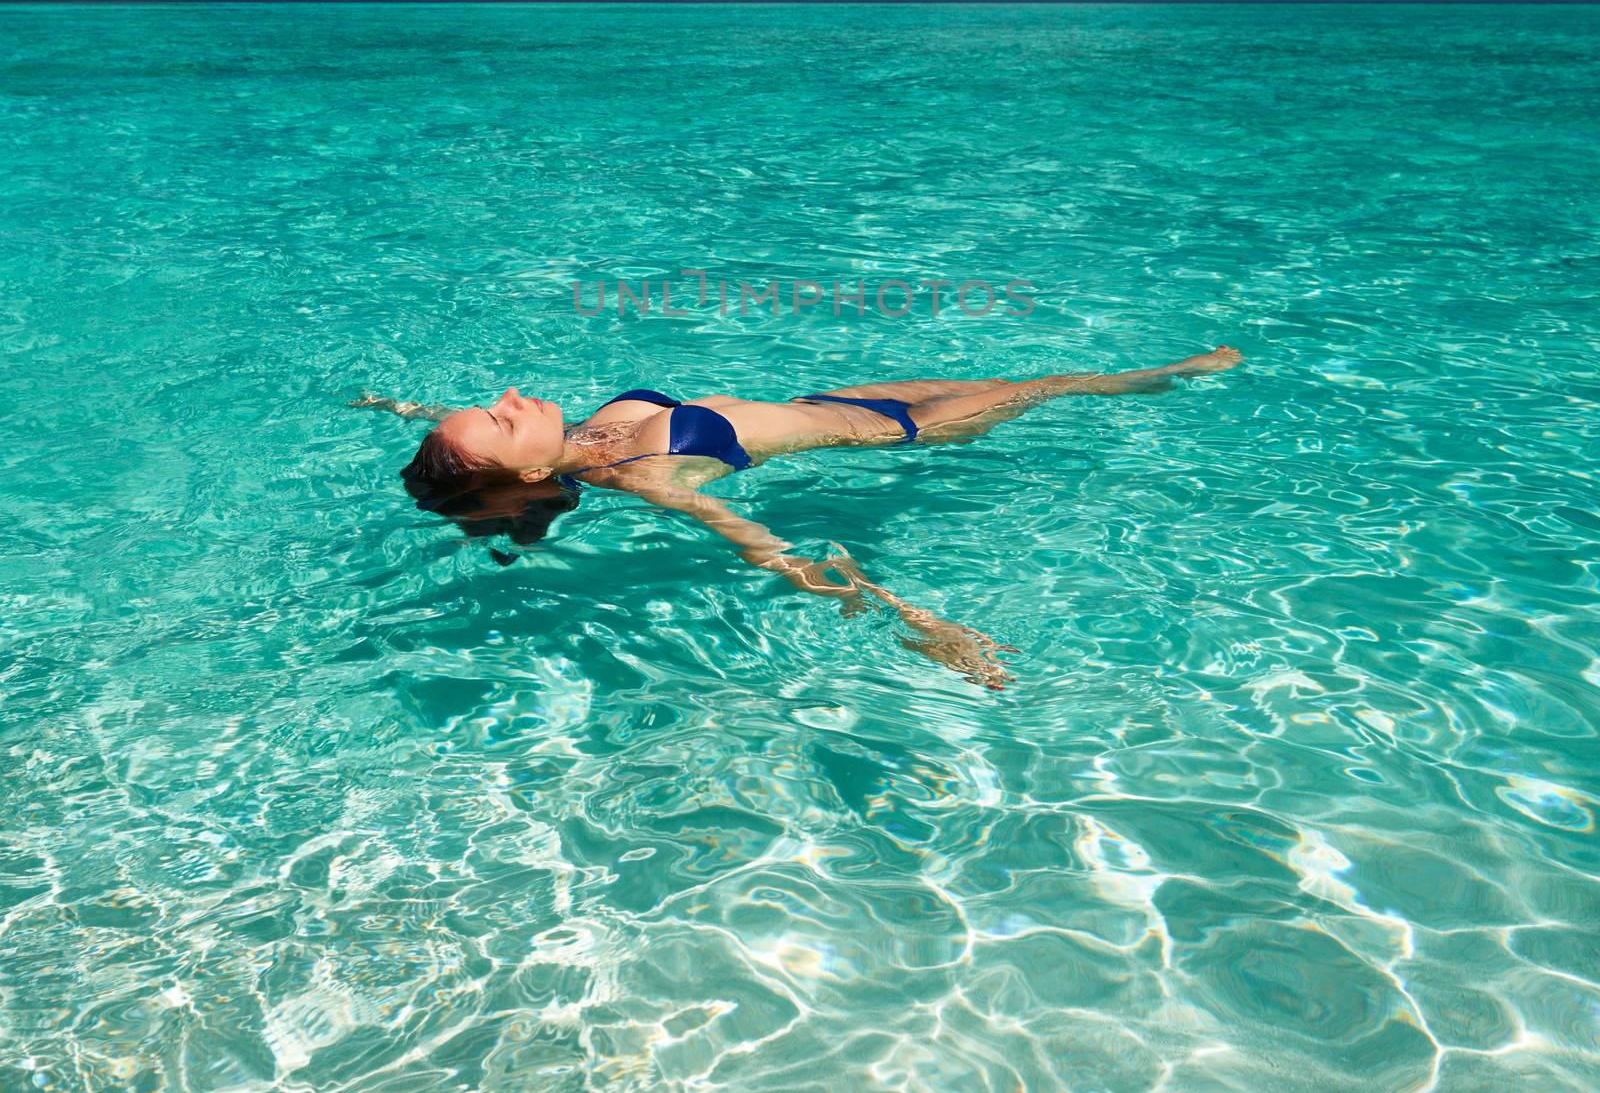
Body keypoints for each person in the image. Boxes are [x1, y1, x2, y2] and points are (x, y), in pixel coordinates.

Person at [353, 345, 1243, 689]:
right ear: (535, 469)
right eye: (503, 419)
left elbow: (481, 457)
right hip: (904, 437)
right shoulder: (649, 476)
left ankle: (1169, 369)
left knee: (1018, 373)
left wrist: (396, 411)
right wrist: (914, 621)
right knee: (1053, 384)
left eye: (492, 402)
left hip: (839, 401)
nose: (510, 395)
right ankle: (1183, 371)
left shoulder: (571, 443)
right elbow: (769, 550)